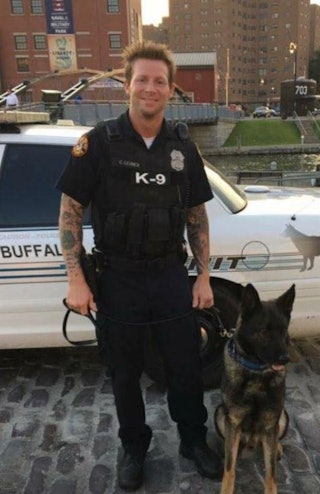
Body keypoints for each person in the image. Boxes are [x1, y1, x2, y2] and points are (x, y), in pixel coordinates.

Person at [57, 41, 222, 491]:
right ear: (127, 86)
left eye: (160, 82)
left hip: (169, 275)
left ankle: (193, 440)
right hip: (118, 279)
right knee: (124, 371)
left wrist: (203, 275)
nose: (151, 88)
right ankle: (134, 447)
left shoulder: (181, 147)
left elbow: (196, 215)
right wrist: (76, 279)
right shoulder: (97, 145)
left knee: (185, 366)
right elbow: (70, 212)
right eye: (142, 80)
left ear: (170, 90)